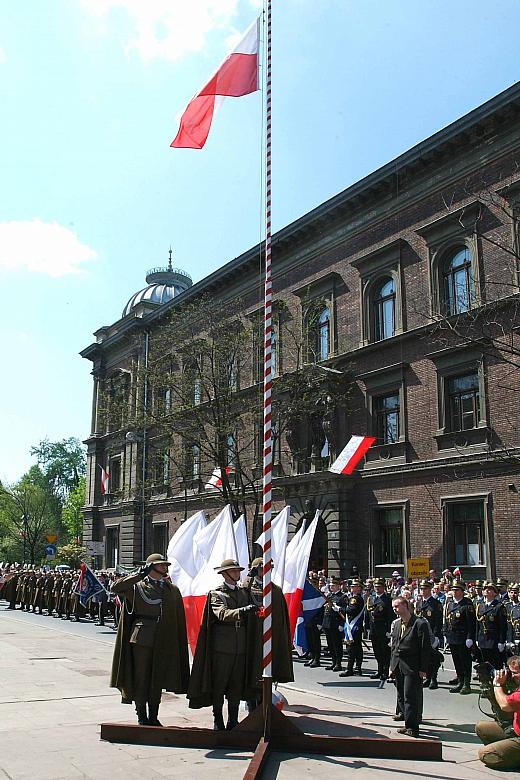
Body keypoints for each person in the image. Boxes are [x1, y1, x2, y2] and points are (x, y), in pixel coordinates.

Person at [110, 553, 190, 727]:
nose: (165, 567)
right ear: (150, 567)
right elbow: (115, 587)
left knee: (157, 679)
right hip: (142, 639)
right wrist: (139, 574)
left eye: (165, 565)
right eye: (161, 565)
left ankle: (154, 716)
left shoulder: (172, 589)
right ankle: (141, 715)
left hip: (164, 638)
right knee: (142, 678)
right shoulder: (137, 587)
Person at [187, 559, 257, 731]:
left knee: (236, 686)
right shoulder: (216, 594)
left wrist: (251, 575)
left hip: (240, 646)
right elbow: (222, 614)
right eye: (233, 571)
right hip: (222, 647)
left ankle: (233, 720)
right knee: (219, 685)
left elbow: (249, 588)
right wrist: (243, 611)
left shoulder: (242, 593)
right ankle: (218, 719)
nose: (237, 573)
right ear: (224, 574)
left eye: (238, 570)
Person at [242, 557, 294, 711]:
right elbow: (241, 601)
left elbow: (280, 618)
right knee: (250, 672)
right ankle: (252, 706)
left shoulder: (275, 590)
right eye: (263, 568)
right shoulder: (247, 588)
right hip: (251, 638)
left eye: (269, 568)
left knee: (267, 673)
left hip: (269, 639)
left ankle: (263, 705)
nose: (267, 571)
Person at [389, 595, 431, 738]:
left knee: (410, 697)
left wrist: (423, 669)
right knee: (401, 695)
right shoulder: (397, 624)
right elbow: (394, 646)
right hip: (399, 665)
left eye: (397, 606)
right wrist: (391, 666)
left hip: (413, 666)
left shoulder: (419, 624)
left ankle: (413, 728)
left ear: (405, 606)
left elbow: (425, 648)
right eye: (393, 607)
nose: (394, 609)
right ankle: (408, 723)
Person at [476, 655, 520, 770]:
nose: (512, 676)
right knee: (481, 727)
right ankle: (508, 751)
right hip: (516, 730)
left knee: (485, 754)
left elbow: (504, 705)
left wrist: (497, 685)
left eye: (515, 673)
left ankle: (513, 757)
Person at [443, 579, 476, 694]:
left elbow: (471, 623)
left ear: (462, 591)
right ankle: (460, 682)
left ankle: (467, 684)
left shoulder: (467, 605)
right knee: (456, 661)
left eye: (457, 590)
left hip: (463, 638)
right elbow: (447, 619)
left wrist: (470, 637)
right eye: (453, 590)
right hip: (452, 637)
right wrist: (445, 633)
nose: (455, 592)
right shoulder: (450, 604)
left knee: (465, 661)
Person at [415, 579, 444, 690]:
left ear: (430, 589)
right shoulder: (418, 603)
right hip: (421, 635)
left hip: (432, 635)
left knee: (433, 658)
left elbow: (438, 621)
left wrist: (436, 636)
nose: (423, 590)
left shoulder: (436, 603)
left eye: (425, 588)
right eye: (421, 588)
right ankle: (427, 677)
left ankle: (433, 678)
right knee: (424, 657)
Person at [366, 577, 393, 681]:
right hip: (374, 629)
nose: (377, 588)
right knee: (377, 651)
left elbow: (390, 616)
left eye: (379, 586)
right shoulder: (371, 598)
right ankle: (379, 670)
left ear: (383, 587)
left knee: (385, 652)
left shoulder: (387, 600)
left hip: (383, 629)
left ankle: (385, 672)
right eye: (376, 586)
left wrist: (389, 630)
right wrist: (367, 627)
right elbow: (367, 614)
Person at [476, 582, 507, 670]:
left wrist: (501, 641)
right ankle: (486, 678)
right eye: (485, 589)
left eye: (490, 589)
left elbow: (503, 626)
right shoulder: (480, 605)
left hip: (494, 639)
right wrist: (476, 638)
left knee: (496, 664)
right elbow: (477, 624)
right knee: (484, 664)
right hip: (482, 639)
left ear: (495, 593)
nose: (487, 590)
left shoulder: (499, 606)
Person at [339, 580, 365, 677]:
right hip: (354, 626)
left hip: (354, 627)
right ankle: (357, 668)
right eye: (352, 586)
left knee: (351, 648)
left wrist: (340, 609)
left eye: (354, 586)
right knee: (357, 648)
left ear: (359, 588)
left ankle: (350, 669)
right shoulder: (356, 598)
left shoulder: (356, 599)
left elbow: (351, 610)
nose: (352, 588)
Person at [321, 576, 346, 672]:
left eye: (333, 585)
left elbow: (344, 611)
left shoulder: (342, 597)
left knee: (337, 645)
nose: (331, 587)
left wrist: (341, 624)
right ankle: (333, 662)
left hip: (336, 624)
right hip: (328, 623)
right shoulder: (330, 596)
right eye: (331, 585)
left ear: (339, 586)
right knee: (330, 644)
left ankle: (338, 663)